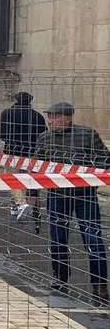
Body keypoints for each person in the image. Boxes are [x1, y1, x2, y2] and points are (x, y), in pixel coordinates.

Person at [34, 102, 110, 301]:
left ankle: (100, 284)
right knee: (58, 238)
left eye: (54, 117)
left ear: (67, 118)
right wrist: (31, 193)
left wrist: (88, 174)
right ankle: (60, 278)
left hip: (84, 195)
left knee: (93, 238)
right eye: (49, 117)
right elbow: (36, 167)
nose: (50, 121)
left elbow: (104, 159)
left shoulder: (87, 134)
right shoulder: (44, 137)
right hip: (57, 195)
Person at [0, 91, 47, 231]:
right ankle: (28, 204)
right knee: (30, 181)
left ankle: (20, 203)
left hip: (13, 151)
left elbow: (1, 134)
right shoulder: (37, 116)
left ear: (16, 99)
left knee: (13, 179)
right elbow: (43, 134)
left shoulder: (7, 113)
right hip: (31, 152)